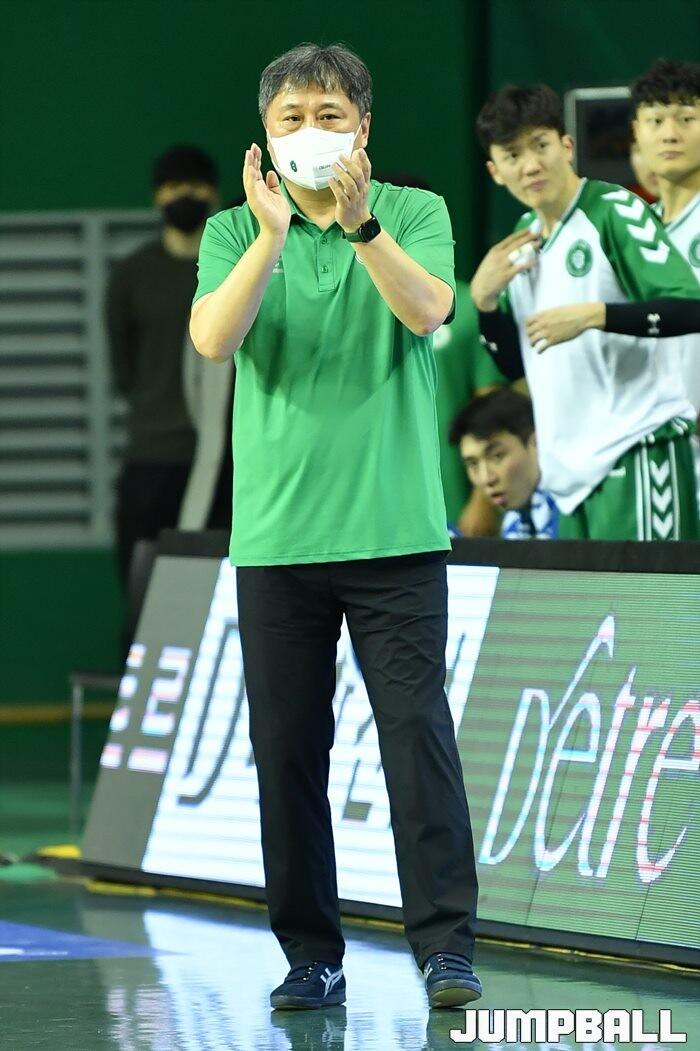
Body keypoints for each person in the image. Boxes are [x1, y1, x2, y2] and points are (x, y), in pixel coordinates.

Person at [189, 43, 481, 1011]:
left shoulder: (414, 211)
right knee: (287, 756)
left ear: (363, 127)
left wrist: (362, 229)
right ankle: (310, 952)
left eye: (328, 114)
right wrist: (271, 236)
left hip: (395, 535)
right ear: (264, 134)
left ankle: (444, 948)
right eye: (291, 118)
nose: (309, 132)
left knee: (416, 743)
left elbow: (427, 311)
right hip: (276, 541)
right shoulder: (233, 228)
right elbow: (214, 339)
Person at [471, 83, 700, 541]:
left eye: (541, 145)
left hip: (638, 452)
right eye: (513, 155)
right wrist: (485, 305)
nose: (531, 165)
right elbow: (516, 365)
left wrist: (596, 315)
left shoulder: (613, 210)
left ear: (567, 146)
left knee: (650, 594)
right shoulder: (523, 236)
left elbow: (691, 308)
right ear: (495, 171)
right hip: (567, 478)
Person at [106, 145, 220, 585]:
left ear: (212, 193)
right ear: (158, 195)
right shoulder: (132, 275)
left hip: (223, 459)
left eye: (194, 185)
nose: (184, 195)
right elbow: (122, 366)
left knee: (217, 595)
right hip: (152, 454)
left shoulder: (234, 268)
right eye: (173, 186)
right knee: (144, 589)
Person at [375, 173, 506, 537]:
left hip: (449, 505)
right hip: (369, 504)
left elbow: (491, 410)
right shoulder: (348, 306)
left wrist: (483, 501)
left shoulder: (465, 306)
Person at [631, 58, 700, 508]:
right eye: (656, 120)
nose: (669, 134)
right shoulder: (632, 231)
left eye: (686, 119)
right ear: (636, 132)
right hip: (654, 456)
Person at [449, 389, 558, 539]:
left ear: (535, 443)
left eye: (497, 456)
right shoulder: (514, 523)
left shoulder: (573, 513)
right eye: (473, 464)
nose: (486, 478)